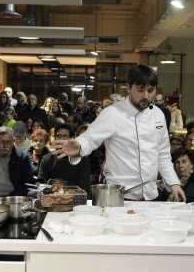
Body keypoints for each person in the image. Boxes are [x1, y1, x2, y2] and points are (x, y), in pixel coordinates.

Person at [51, 64, 185, 201]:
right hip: (120, 196)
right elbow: (90, 138)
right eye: (140, 90)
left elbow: (163, 154)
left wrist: (173, 183)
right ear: (128, 88)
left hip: (151, 194)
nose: (146, 96)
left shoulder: (158, 115)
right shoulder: (112, 113)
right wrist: (79, 146)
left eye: (150, 90)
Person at [37, 124, 90, 193]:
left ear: (72, 138)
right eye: (58, 136)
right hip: (50, 197)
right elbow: (40, 181)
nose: (61, 139)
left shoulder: (82, 160)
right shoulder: (47, 159)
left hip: (75, 199)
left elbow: (84, 187)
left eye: (65, 136)